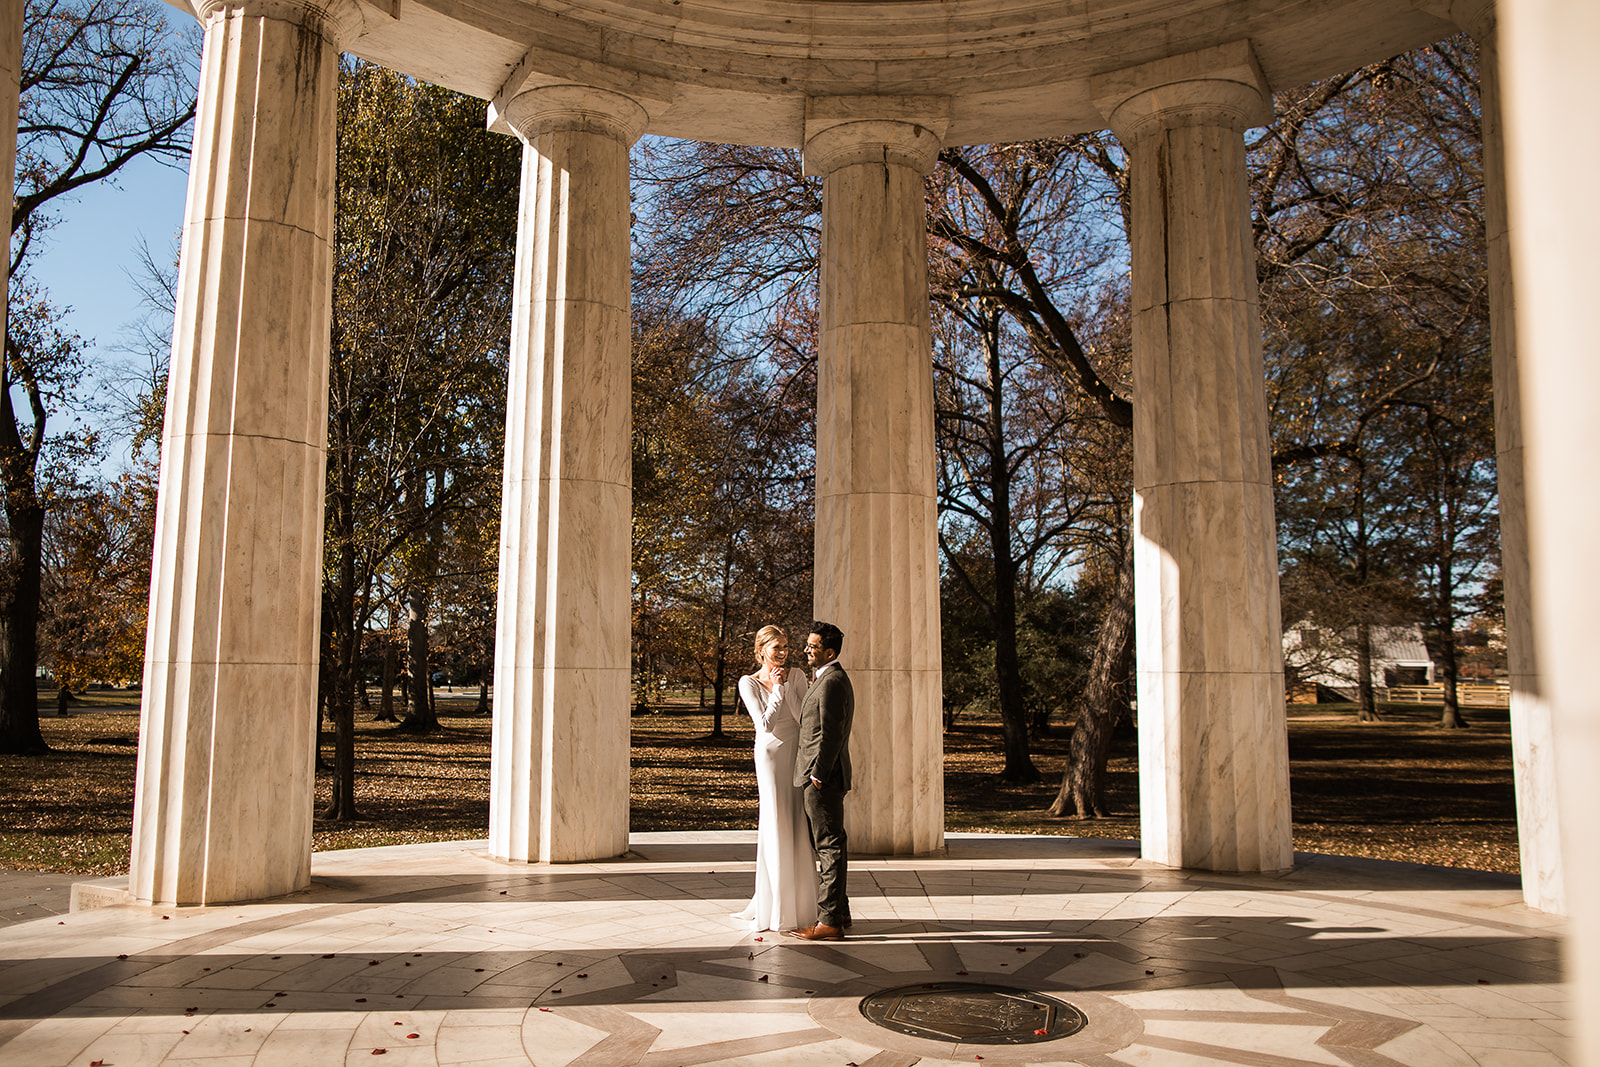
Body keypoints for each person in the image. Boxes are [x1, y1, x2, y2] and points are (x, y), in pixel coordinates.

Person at [731, 625, 818, 933]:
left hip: (795, 750)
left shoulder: (796, 675)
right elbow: (764, 724)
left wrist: (787, 687)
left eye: (785, 647)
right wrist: (778, 690)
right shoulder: (748, 682)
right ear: (761, 649)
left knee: (796, 819)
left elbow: (802, 716)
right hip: (769, 755)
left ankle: (801, 903)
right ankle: (775, 906)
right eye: (776, 647)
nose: (783, 652)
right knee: (775, 818)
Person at [788, 621, 854, 940]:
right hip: (819, 775)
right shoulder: (826, 678)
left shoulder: (832, 681)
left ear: (828, 651)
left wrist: (817, 774)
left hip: (822, 777)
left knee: (828, 845)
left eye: (812, 647)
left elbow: (831, 733)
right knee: (827, 843)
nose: (806, 650)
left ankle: (829, 921)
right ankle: (839, 910)